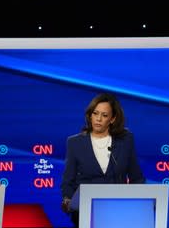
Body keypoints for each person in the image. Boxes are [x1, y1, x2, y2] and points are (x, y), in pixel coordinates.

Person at [61, 92, 145, 227]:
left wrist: (139, 205)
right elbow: (68, 182)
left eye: (104, 115)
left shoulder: (125, 140)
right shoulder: (75, 143)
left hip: (119, 213)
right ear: (90, 115)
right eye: (95, 113)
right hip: (86, 214)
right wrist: (67, 200)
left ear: (112, 119)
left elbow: (137, 177)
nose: (98, 119)